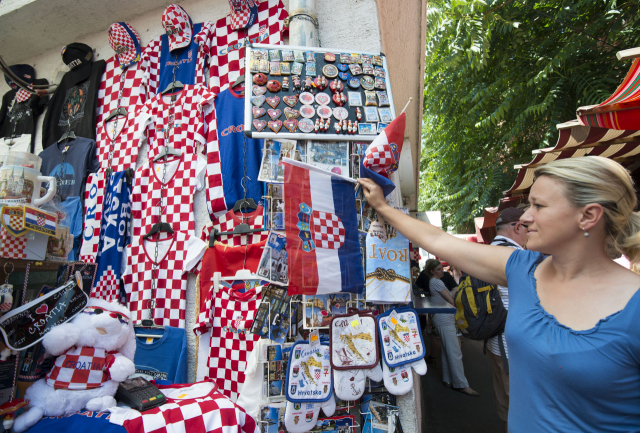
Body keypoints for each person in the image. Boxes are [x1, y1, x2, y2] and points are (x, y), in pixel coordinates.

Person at [358, 156, 640, 432]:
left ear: (588, 216)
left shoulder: (634, 306)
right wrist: (382, 206)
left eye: (538, 206)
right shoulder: (521, 268)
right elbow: (439, 240)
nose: (526, 218)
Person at [487, 207, 527, 432]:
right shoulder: (518, 256)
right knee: (521, 408)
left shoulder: (486, 252)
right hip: (515, 348)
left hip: (494, 343)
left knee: (505, 404)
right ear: (518, 227)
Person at [424, 259, 479, 396]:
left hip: (441, 317)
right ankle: (461, 384)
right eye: (438, 269)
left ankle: (448, 379)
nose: (441, 271)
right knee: (454, 352)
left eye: (440, 268)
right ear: (432, 271)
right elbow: (451, 300)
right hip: (445, 317)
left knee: (447, 349)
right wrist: (456, 290)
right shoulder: (437, 282)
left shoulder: (433, 282)